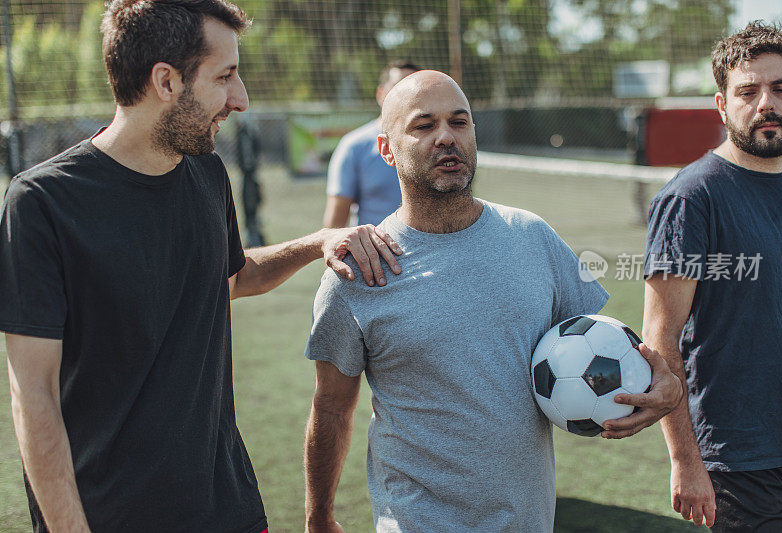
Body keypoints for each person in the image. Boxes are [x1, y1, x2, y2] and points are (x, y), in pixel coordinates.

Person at [0, 1, 402, 531]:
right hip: (111, 515)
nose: (241, 99)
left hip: (227, 505)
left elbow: (230, 277)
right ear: (165, 81)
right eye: (225, 76)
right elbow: (35, 398)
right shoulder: (42, 203)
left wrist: (318, 242)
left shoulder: (208, 173)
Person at [303, 70, 683, 532]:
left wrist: (657, 384)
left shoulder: (531, 236)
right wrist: (319, 515)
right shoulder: (356, 272)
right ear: (386, 149)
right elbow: (331, 408)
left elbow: (598, 346)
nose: (446, 137)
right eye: (424, 126)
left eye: (459, 122)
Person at [643, 21, 782, 531]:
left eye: (781, 88)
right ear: (721, 105)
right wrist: (686, 460)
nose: (766, 104)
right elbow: (659, 337)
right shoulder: (691, 199)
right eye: (748, 92)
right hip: (741, 458)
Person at [322, 60, 420, 228]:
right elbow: (334, 225)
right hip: (376, 254)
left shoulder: (438, 144)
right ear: (381, 94)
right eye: (398, 89)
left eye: (414, 90)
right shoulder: (354, 146)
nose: (407, 97)